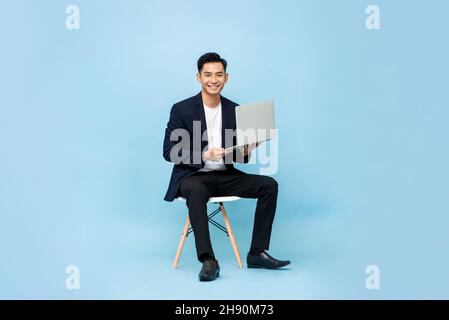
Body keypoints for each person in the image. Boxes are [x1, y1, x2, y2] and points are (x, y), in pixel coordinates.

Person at [163, 52, 290, 281]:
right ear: (199, 77)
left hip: (224, 175)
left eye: (219, 75)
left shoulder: (235, 110)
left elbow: (237, 155)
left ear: (226, 78)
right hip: (192, 177)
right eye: (208, 74)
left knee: (269, 185)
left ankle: (257, 253)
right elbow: (169, 151)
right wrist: (203, 154)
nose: (214, 79)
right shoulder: (181, 109)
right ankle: (208, 260)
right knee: (197, 189)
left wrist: (247, 149)